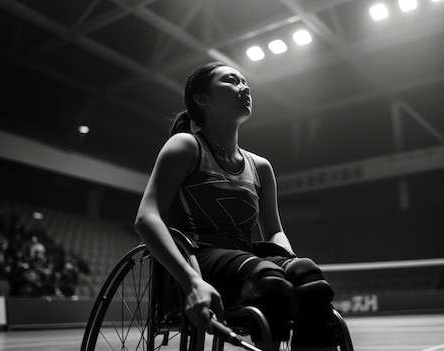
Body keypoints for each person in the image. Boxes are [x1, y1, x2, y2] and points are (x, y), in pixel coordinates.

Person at [134, 62, 338, 350]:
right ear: (202, 98)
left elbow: (275, 231)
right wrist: (191, 281)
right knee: (271, 281)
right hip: (198, 258)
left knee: (309, 277)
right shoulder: (186, 147)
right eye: (232, 81)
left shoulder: (261, 166)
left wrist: (290, 262)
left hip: (244, 261)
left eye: (245, 81)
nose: (245, 87)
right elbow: (146, 217)